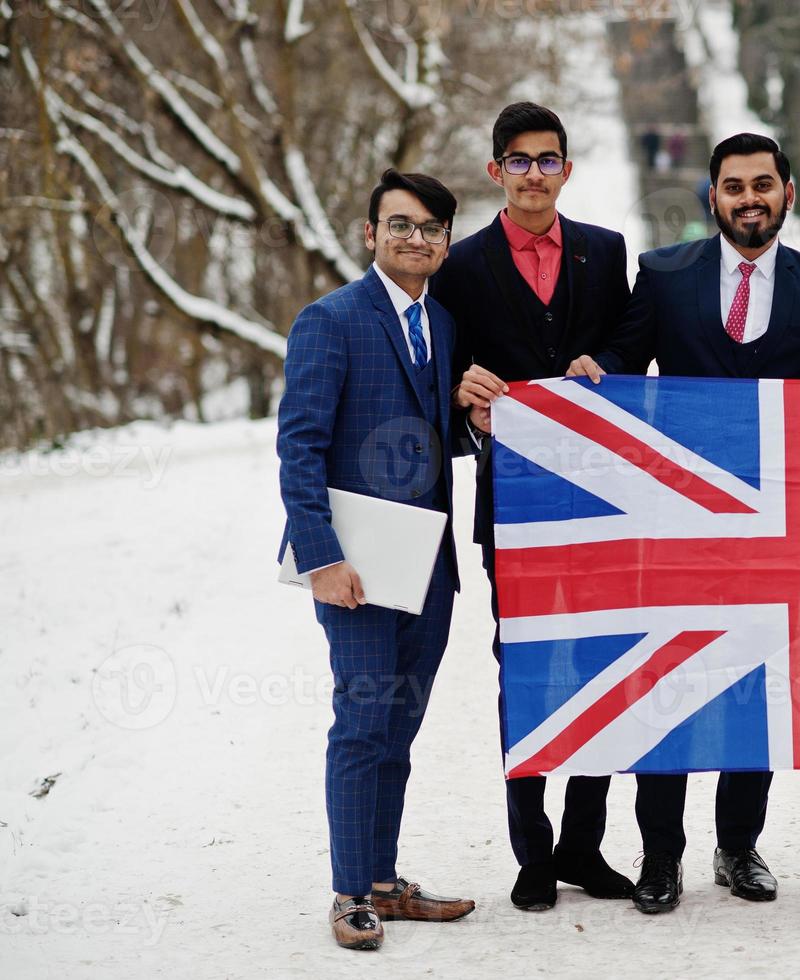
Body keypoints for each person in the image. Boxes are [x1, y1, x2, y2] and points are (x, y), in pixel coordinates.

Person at [569, 132, 800, 913]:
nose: (749, 198)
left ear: (788, 192)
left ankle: (738, 847)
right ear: (712, 197)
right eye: (734, 186)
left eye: (763, 184)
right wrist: (587, 374)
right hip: (677, 522)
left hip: (777, 529)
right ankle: (660, 856)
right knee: (669, 683)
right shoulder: (665, 276)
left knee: (754, 686)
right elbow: (619, 360)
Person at [430, 101, 634, 912]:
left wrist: (607, 362)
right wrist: (460, 394)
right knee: (526, 670)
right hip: (511, 506)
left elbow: (629, 343)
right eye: (518, 161)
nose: (534, 175)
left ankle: (585, 845)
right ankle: (533, 850)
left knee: (601, 665)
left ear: (567, 170)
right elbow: (441, 377)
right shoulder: (463, 266)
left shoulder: (605, 252)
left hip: (607, 502)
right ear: (495, 172)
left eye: (548, 160)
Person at [277, 169, 476, 951]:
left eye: (431, 229)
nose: (416, 239)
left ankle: (385, 883)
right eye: (400, 225)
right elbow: (300, 446)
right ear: (370, 234)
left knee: (399, 728)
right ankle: (349, 893)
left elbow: (432, 434)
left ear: (445, 242)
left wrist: (473, 416)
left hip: (427, 565)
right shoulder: (329, 320)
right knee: (361, 723)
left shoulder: (445, 324)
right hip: (355, 567)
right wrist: (320, 555)